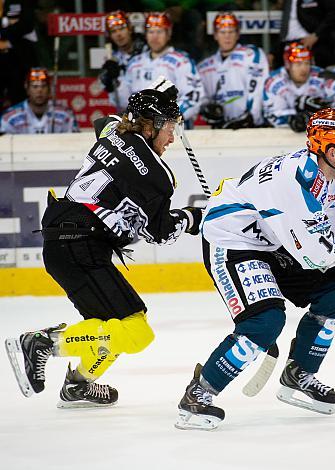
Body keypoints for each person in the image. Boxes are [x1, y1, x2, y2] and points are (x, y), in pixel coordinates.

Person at [174, 108, 335, 430]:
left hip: (276, 243)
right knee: (265, 321)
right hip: (235, 242)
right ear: (331, 151)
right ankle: (199, 394)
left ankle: (299, 373)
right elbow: (314, 253)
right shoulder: (291, 179)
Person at [5, 81, 203, 408]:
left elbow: (106, 121)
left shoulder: (113, 131)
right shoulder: (157, 173)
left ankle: (78, 384)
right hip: (79, 244)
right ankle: (43, 343)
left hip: (65, 242)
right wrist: (193, 217)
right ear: (151, 126)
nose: (172, 138)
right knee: (137, 332)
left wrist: (161, 96)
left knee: (111, 327)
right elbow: (159, 233)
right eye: (169, 128)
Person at [117, 12, 205, 127]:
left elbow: (193, 96)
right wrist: (114, 83)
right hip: (141, 131)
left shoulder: (181, 61)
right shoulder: (134, 63)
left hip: (174, 131)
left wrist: (167, 118)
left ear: (168, 34)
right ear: (146, 35)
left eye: (160, 31)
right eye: (151, 32)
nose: (155, 36)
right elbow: (124, 102)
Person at [197, 12, 269, 129]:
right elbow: (200, 99)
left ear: (238, 34)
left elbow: (258, 90)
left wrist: (251, 117)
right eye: (222, 32)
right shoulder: (204, 67)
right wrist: (207, 110)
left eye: (231, 32)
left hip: (251, 127)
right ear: (215, 35)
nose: (227, 36)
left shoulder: (252, 54)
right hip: (219, 130)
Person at [263, 42, 335, 133]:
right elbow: (273, 116)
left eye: (306, 63)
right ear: (288, 65)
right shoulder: (274, 81)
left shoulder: (322, 76)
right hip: (281, 137)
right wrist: (299, 118)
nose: (303, 68)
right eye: (298, 64)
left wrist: (316, 116)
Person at [0, 67, 78, 134]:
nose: (39, 90)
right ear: (27, 89)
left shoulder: (65, 115)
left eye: (43, 86)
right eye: (35, 86)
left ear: (49, 89)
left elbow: (75, 143)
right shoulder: (10, 117)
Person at [99, 10, 148, 108]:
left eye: (121, 29)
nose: (118, 34)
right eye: (113, 31)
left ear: (130, 29)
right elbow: (114, 99)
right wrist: (110, 82)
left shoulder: (147, 49)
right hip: (130, 114)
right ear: (110, 36)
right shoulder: (112, 60)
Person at [278, 0, 335, 68]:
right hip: (286, 45)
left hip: (312, 44)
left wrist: (316, 34)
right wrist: (274, 52)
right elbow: (286, 25)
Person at [0, 0, 37, 110]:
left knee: (19, 100)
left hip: (19, 61)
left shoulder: (20, 2)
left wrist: (4, 33)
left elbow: (26, 24)